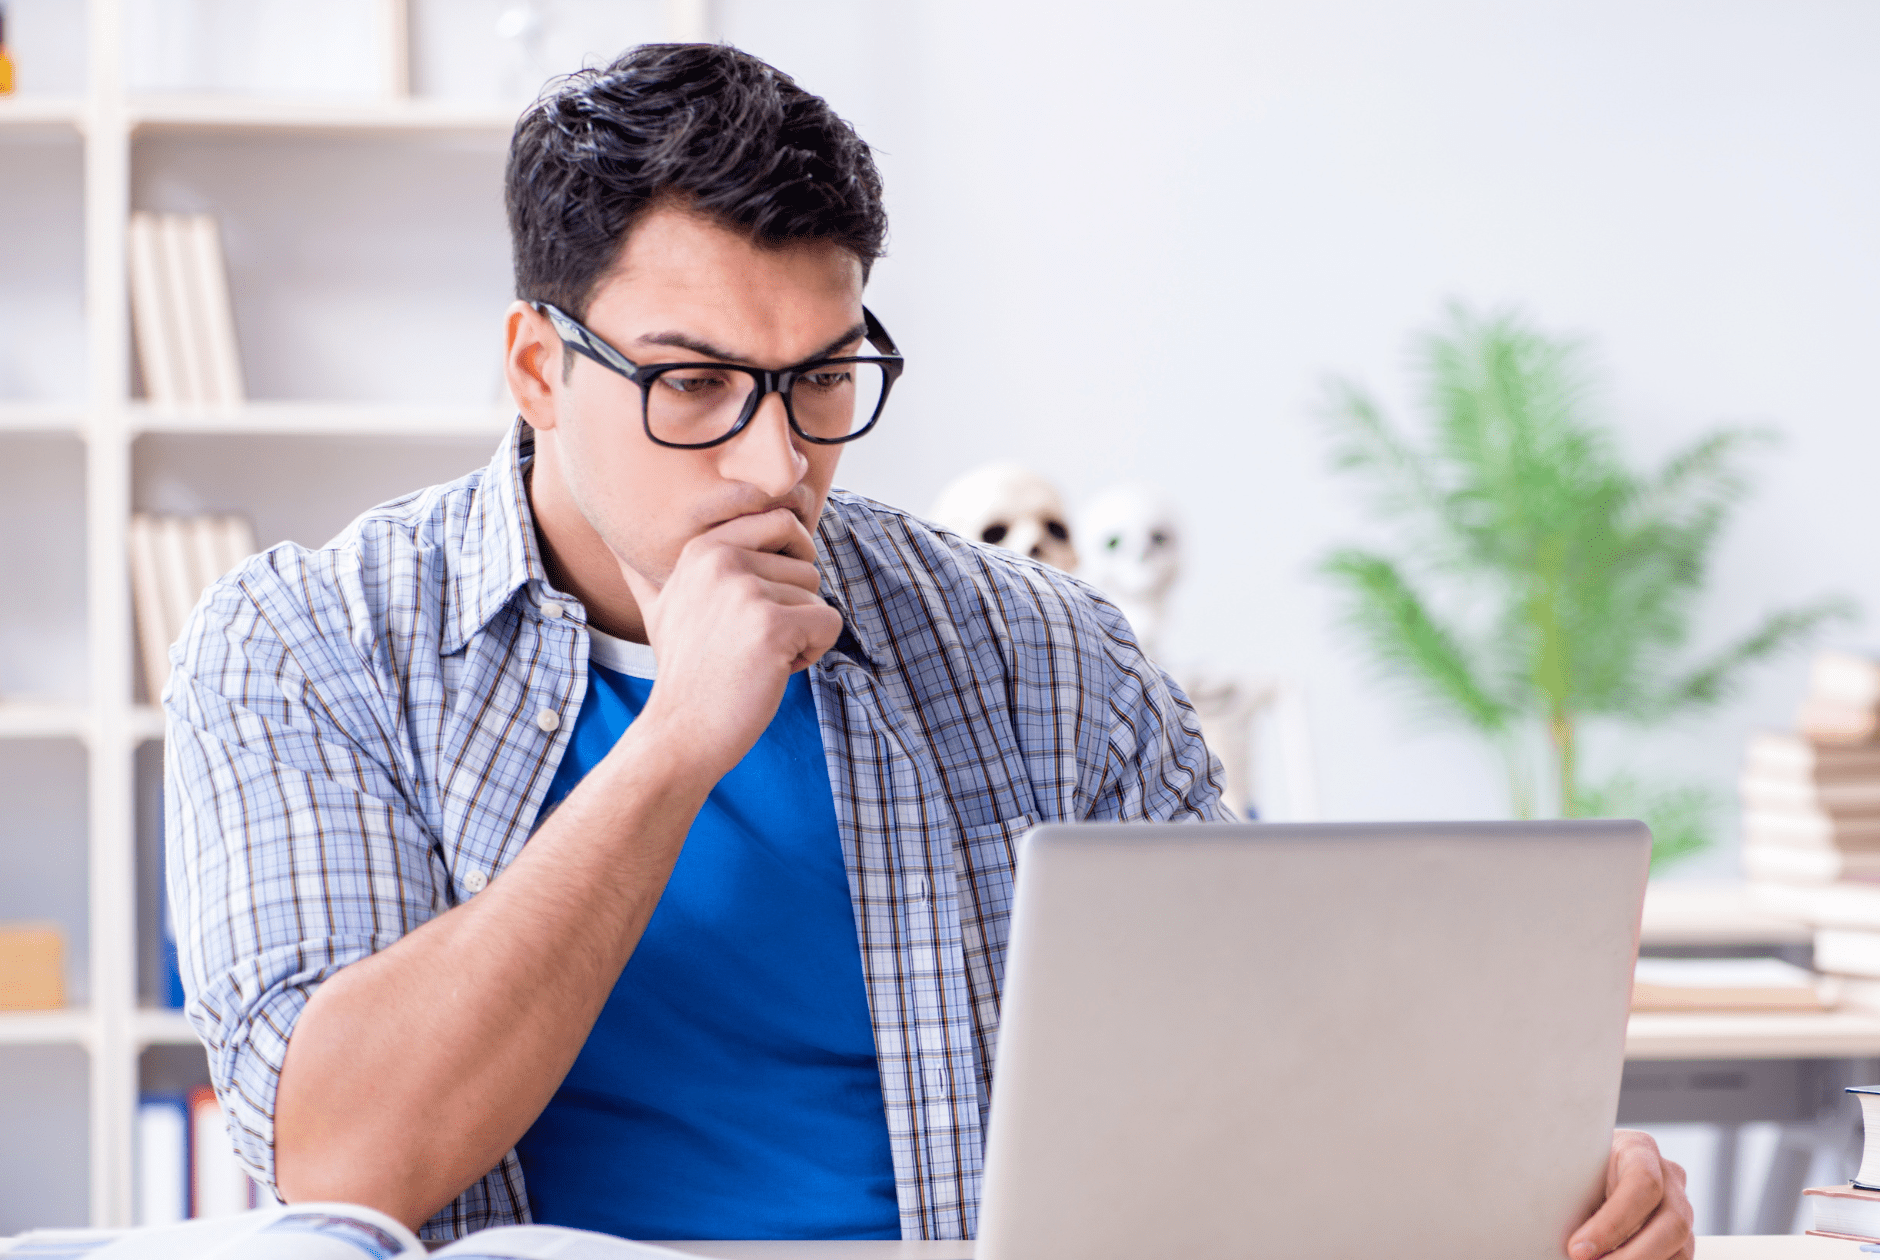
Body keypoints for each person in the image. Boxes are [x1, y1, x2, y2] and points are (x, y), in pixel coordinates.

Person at [165, 43, 1694, 1258]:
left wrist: (1532, 1184)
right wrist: (681, 738)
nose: (775, 464)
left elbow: (1272, 1087)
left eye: (822, 378)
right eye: (694, 385)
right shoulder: (311, 646)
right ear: (537, 369)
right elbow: (342, 1161)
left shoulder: (1045, 658)